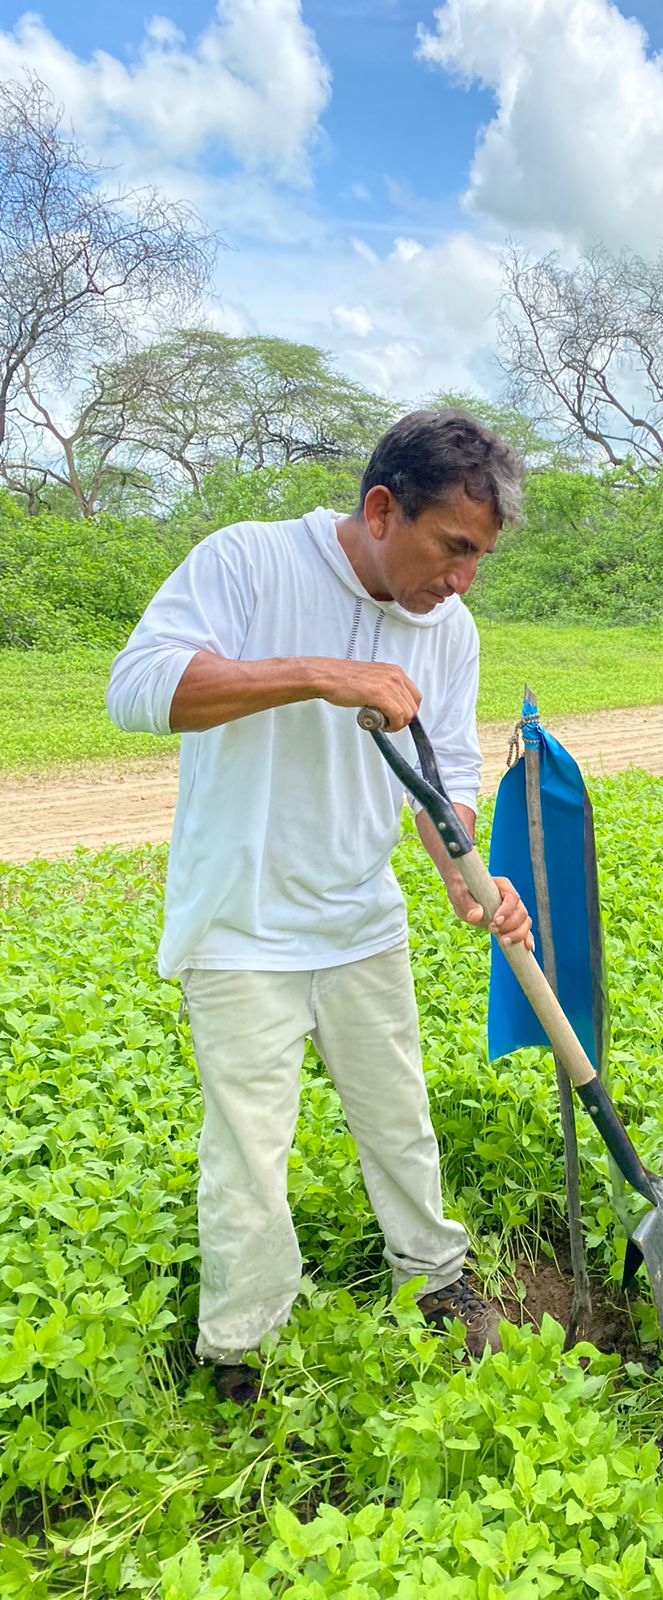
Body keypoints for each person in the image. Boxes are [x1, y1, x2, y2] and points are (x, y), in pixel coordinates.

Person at [107, 409, 533, 1403]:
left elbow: (448, 775)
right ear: (382, 509)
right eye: (453, 547)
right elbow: (136, 688)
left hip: (359, 916)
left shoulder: (452, 629)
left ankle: (434, 1281)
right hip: (241, 922)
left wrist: (465, 871)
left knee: (399, 1116)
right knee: (249, 1146)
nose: (462, 578)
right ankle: (238, 1348)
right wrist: (319, 675)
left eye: (481, 556)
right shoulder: (250, 563)